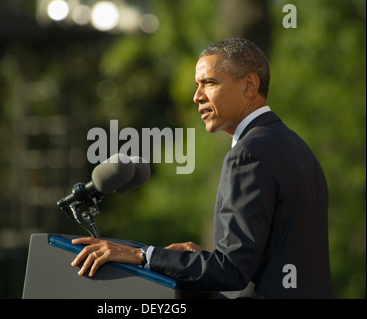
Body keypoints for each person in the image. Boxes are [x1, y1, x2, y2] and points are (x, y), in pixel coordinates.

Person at [70, 38, 334, 298]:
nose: (197, 96)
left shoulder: (248, 154)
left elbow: (231, 272)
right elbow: (270, 259)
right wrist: (200, 261)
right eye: (197, 85)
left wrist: (142, 255)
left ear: (250, 85)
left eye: (209, 83)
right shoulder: (299, 148)